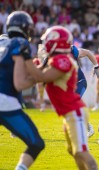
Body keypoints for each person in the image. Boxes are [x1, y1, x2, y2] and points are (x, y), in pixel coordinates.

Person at [24, 26, 98, 170]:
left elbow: (41, 76)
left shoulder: (63, 60)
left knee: (81, 152)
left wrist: (26, 57)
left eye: (49, 41)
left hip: (75, 112)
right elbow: (33, 77)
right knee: (73, 151)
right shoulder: (53, 59)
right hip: (68, 113)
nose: (45, 44)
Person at [0, 11, 45, 170]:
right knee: (36, 143)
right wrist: (44, 75)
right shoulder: (19, 43)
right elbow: (20, 84)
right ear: (26, 28)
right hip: (5, 102)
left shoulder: (2, 42)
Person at [71, 45, 99, 137]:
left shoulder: (72, 51)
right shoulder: (52, 57)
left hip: (80, 82)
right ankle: (87, 127)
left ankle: (85, 129)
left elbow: (87, 52)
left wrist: (96, 66)